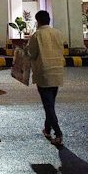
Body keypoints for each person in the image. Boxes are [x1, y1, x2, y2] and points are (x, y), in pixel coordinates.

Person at [27, 10, 65, 145]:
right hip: (57, 72)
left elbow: (31, 53)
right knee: (50, 104)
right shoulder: (58, 33)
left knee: (48, 106)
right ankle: (47, 129)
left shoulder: (37, 35)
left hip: (44, 74)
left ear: (38, 21)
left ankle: (58, 134)